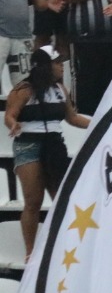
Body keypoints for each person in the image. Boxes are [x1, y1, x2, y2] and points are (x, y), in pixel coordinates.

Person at [3, 45, 88, 257]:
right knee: (33, 201)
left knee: (61, 198)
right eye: (57, 63)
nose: (61, 67)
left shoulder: (60, 90)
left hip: (54, 144)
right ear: (46, 66)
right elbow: (10, 115)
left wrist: (100, 124)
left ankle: (62, 247)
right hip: (29, 143)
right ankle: (30, 252)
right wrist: (13, 124)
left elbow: (73, 118)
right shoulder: (23, 89)